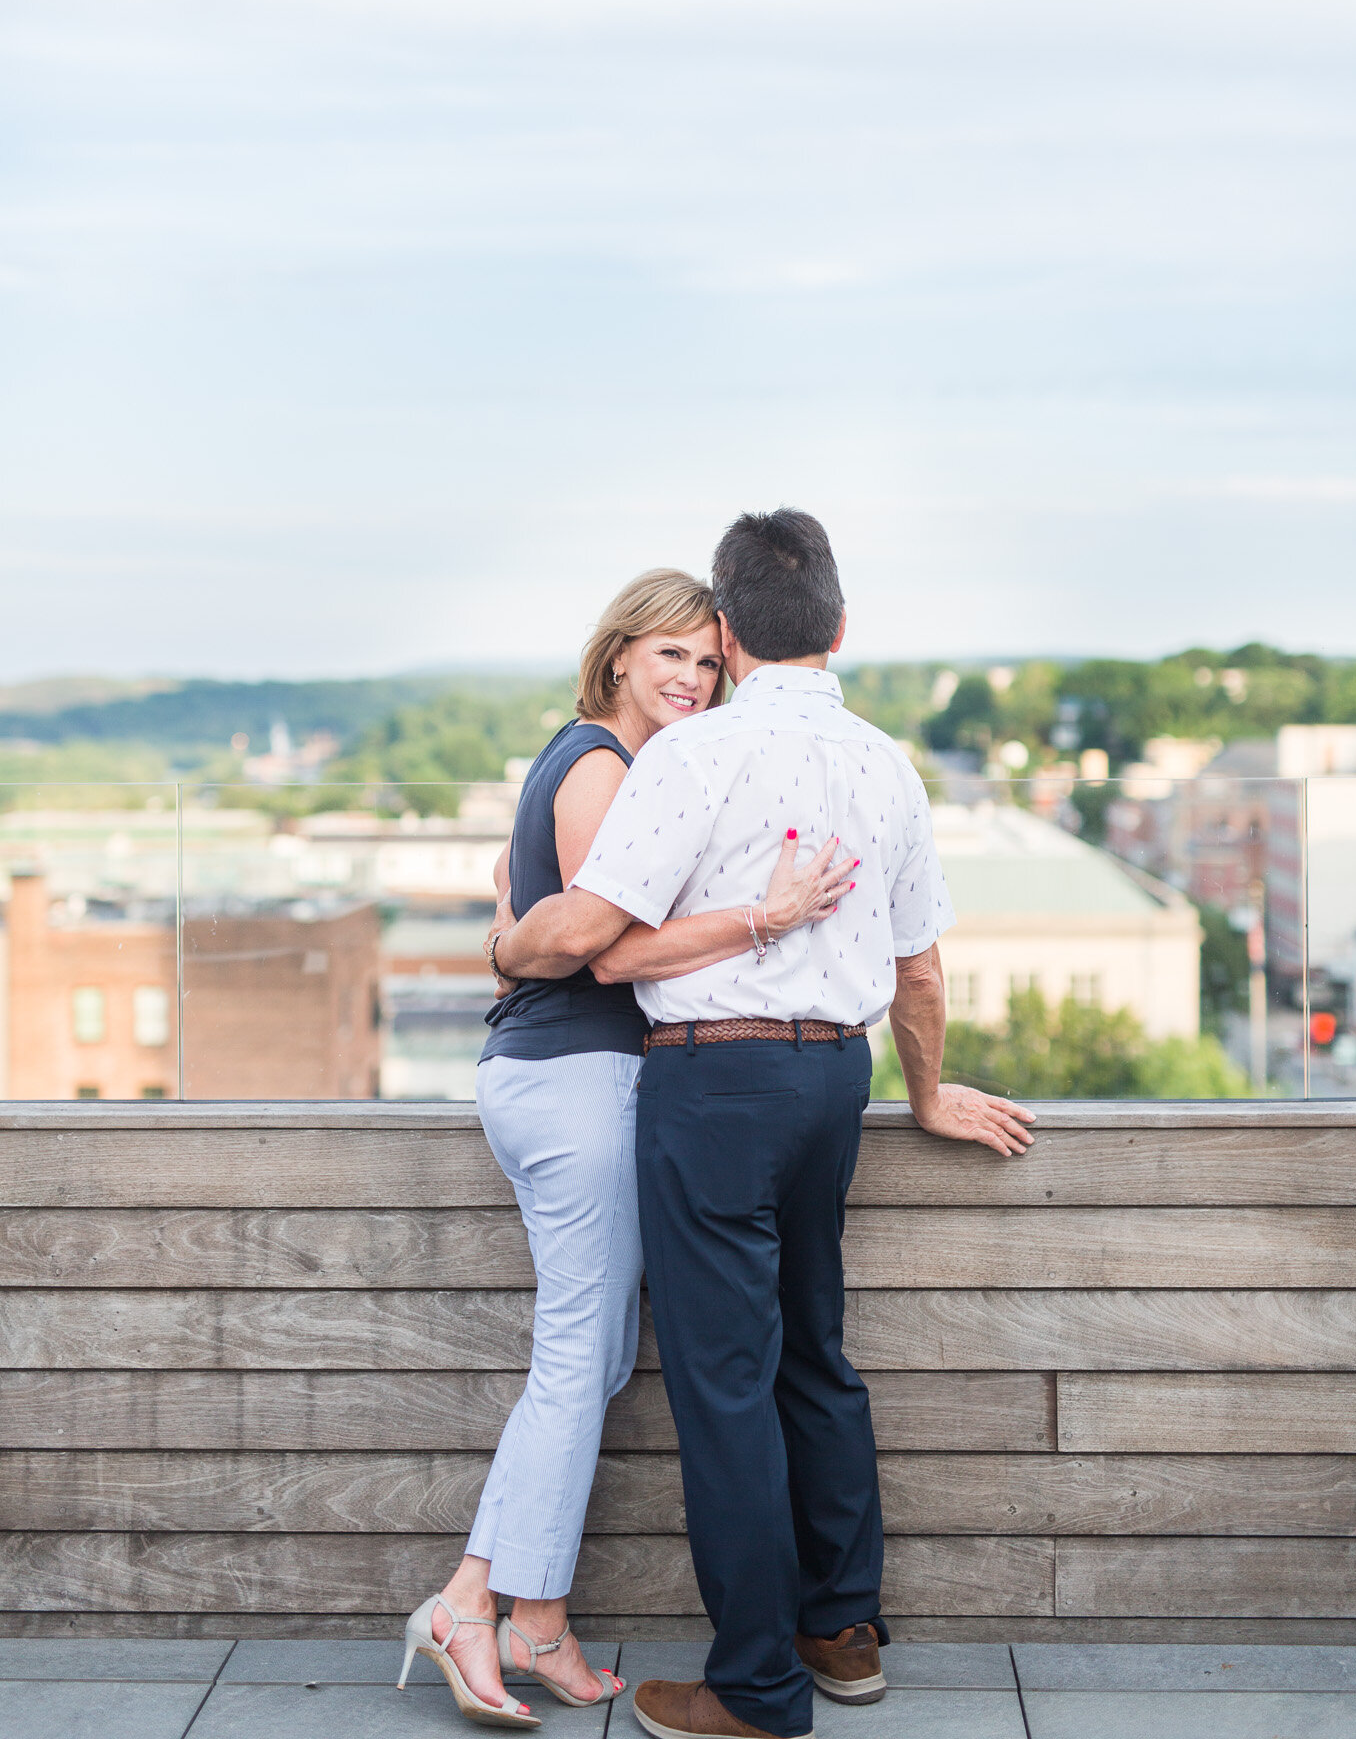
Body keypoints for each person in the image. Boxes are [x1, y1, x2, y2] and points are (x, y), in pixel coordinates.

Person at [489, 510, 1036, 1739]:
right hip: (834, 1080)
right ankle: (841, 1633)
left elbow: (588, 936)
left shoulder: (690, 758)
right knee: (814, 1349)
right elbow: (923, 970)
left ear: (725, 635)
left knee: (722, 1381)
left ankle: (753, 1684)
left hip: (714, 1082)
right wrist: (929, 1093)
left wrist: (509, 939)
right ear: (840, 629)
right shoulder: (888, 761)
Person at [400, 566, 857, 1727]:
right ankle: (478, 1601)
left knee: (592, 1357)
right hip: (580, 1075)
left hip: (558, 1072)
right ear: (617, 656)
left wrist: (511, 934)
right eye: (671, 657)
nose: (695, 680)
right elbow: (605, 942)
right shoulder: (606, 765)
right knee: (576, 1359)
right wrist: (770, 912)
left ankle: (524, 1618)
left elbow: (538, 907)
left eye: (709, 661)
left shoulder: (591, 756)